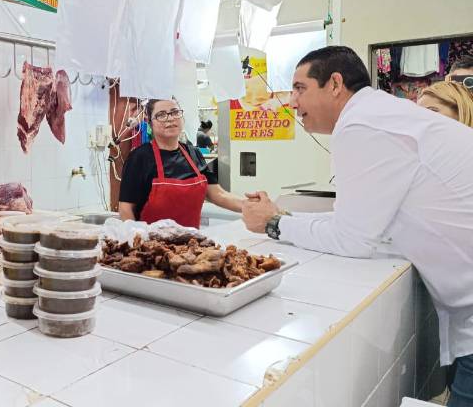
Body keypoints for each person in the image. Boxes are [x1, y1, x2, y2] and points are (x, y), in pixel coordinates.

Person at [241, 46, 473, 407]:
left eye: (300, 88)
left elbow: (353, 238)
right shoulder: (382, 115)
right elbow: (357, 220)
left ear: (335, 83)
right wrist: (281, 218)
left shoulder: (362, 124)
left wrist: (273, 224)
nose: (292, 102)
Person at [118, 98, 247, 228]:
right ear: (151, 123)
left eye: (175, 112)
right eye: (161, 115)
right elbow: (125, 208)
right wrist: (136, 239)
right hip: (151, 245)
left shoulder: (194, 153)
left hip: (191, 244)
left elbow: (218, 194)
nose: (170, 118)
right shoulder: (139, 158)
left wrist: (249, 205)